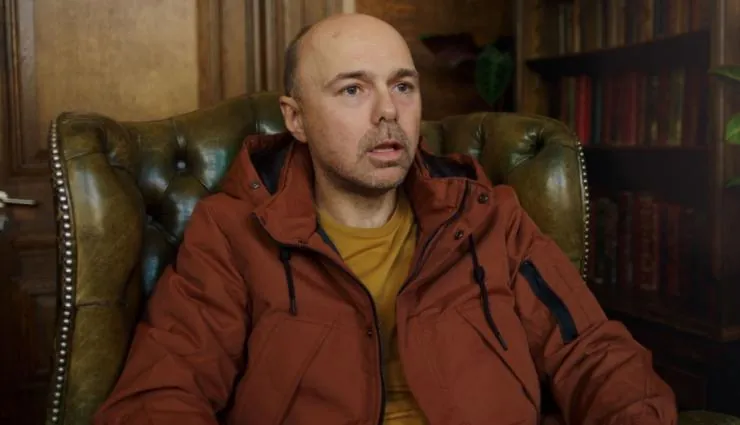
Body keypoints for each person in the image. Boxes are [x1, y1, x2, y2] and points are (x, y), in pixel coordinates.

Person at [93, 12, 677, 425]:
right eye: (353, 90)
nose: (388, 112)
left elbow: (594, 355)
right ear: (295, 119)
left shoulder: (488, 217)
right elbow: (160, 396)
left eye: (402, 86)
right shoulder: (231, 233)